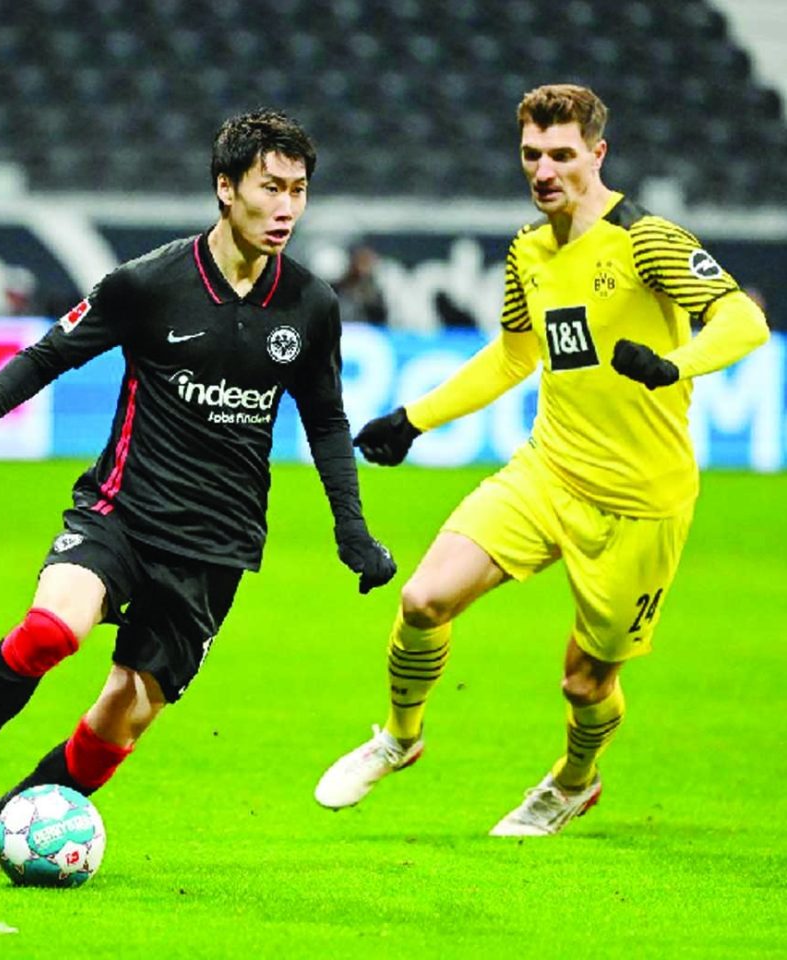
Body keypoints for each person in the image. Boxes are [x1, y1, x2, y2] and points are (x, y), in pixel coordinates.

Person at [0, 109, 397, 871]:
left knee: (121, 717)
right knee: (54, 629)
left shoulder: (310, 306)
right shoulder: (149, 283)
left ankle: (3, 815)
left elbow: (323, 419)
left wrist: (349, 528)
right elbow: (47, 355)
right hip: (119, 512)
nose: (286, 207)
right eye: (269, 187)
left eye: (299, 190)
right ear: (226, 188)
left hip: (216, 546)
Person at [314, 84, 770, 836]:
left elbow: (742, 318)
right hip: (546, 471)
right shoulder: (528, 248)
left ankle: (573, 779)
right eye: (531, 154)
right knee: (423, 600)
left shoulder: (644, 238)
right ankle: (399, 737)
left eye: (561, 154)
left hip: (640, 504)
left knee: (584, 681)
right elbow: (513, 356)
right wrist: (413, 418)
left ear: (597, 153)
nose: (544, 169)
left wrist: (673, 365)